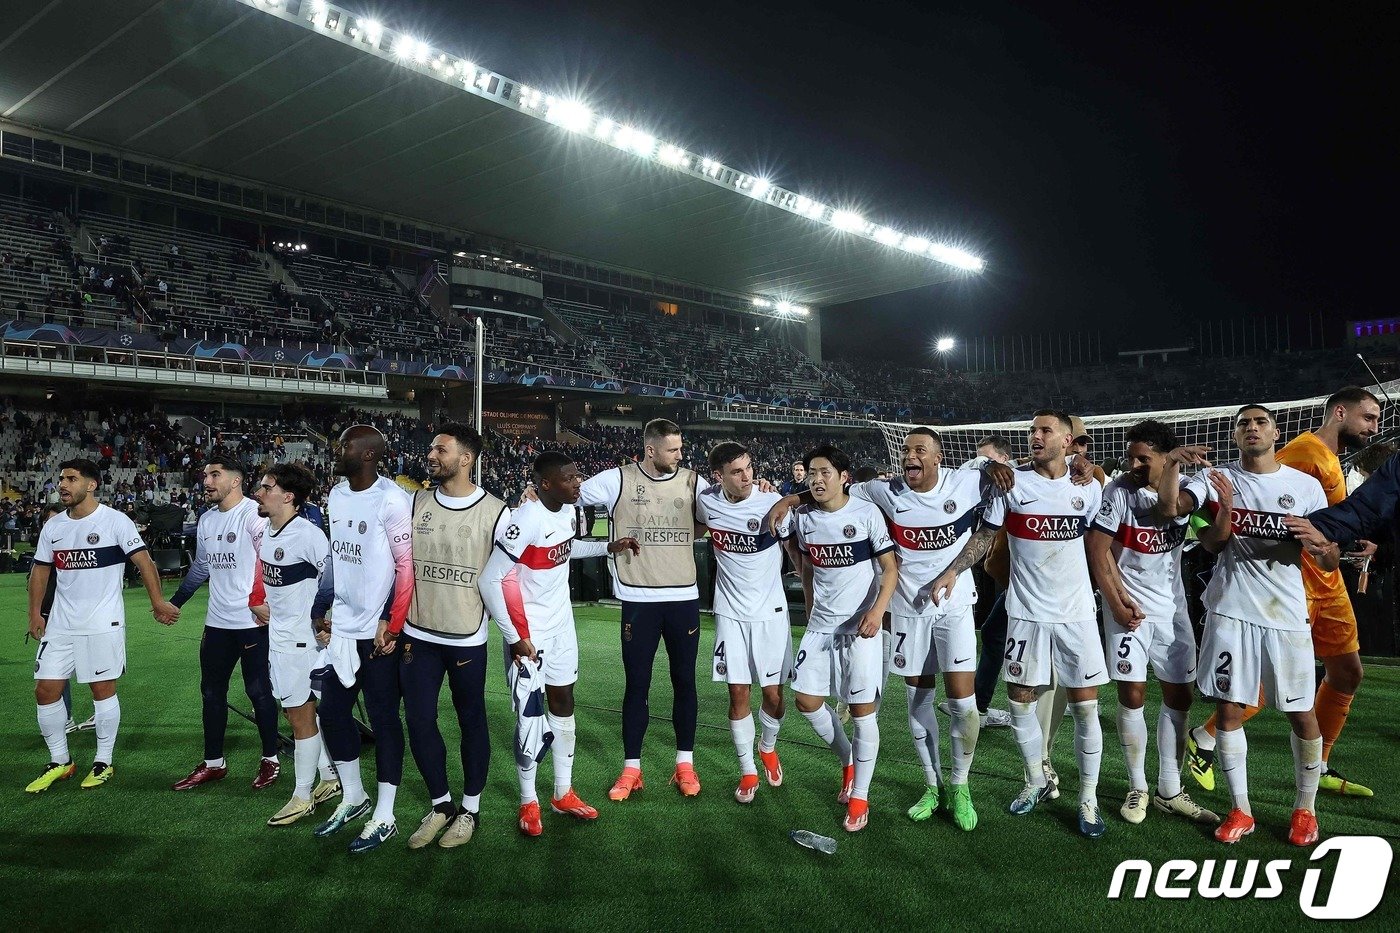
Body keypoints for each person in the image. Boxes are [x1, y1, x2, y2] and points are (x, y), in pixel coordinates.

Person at [1187, 387, 1380, 799]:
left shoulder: (1319, 466)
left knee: (1345, 673)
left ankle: (1318, 766)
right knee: (1258, 686)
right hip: (1290, 590)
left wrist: (1342, 545)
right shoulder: (1301, 455)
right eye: (1369, 418)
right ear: (1340, 413)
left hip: (1321, 582)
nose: (1374, 427)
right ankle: (1205, 743)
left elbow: (1325, 530)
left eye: (1260, 422)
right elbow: (1232, 514)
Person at [931, 410, 1106, 837]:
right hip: (1025, 614)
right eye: (1032, 430)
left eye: (1045, 430)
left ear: (1068, 441)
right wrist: (954, 570)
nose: (1035, 436)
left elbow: (1101, 547)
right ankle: (1035, 782)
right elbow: (984, 537)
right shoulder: (1010, 485)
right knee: (1020, 702)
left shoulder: (1090, 488)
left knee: (1086, 707)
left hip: (1077, 614)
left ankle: (1088, 799)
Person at [1194, 405, 1332, 846]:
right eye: (1243, 423)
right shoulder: (1219, 480)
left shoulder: (1305, 486)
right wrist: (1226, 510)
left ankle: (1305, 810)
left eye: (1259, 422)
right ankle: (1241, 810)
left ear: (1276, 432)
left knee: (1300, 711)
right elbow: (1213, 545)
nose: (1251, 428)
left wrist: (1320, 543)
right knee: (1230, 711)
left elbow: (1328, 558)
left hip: (1285, 613)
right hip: (1231, 610)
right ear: (1235, 435)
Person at [481, 451, 639, 835]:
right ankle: (528, 801)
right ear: (546, 484)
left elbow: (567, 550)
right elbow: (490, 579)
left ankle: (562, 792)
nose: (577, 483)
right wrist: (515, 637)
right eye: (569, 479)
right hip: (529, 632)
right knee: (529, 715)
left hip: (562, 625)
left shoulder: (567, 511)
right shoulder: (527, 518)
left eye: (577, 475)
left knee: (564, 703)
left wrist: (607, 547)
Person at [1086, 420, 1219, 826]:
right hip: (1129, 614)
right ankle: (1137, 786)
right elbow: (1097, 547)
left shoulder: (1196, 486)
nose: (1134, 464)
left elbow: (1168, 508)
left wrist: (1176, 468)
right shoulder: (1119, 491)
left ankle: (1169, 789)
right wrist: (1117, 602)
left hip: (1173, 611)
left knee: (1180, 698)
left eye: (1144, 458)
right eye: (1130, 457)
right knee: (1133, 695)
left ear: (1166, 456)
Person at [26, 459, 179, 793]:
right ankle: (60, 761)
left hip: (102, 622)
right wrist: (35, 613)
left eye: (71, 479)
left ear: (91, 484)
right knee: (45, 689)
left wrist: (157, 602)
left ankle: (103, 761)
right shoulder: (54, 527)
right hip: (61, 624)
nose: (62, 485)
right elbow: (40, 570)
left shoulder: (115, 521)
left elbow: (144, 561)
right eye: (61, 479)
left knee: (102, 691)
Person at [576, 418, 705, 801]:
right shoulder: (616, 480)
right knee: (637, 686)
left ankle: (685, 764)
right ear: (650, 450)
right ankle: (632, 769)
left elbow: (732, 501)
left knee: (685, 682)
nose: (680, 456)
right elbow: (569, 494)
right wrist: (535, 491)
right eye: (673, 450)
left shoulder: (694, 481)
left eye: (681, 449)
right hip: (638, 599)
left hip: (683, 597)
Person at [398, 424, 508, 850]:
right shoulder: (416, 502)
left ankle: (471, 809)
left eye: (440, 449)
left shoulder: (497, 512)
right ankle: (441, 805)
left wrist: (518, 636)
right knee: (420, 719)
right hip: (417, 633)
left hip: (465, 637)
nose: (431, 454)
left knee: (470, 719)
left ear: (466, 459)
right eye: (431, 448)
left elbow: (509, 578)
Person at [312, 426, 414, 853]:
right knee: (332, 712)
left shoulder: (392, 499)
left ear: (369, 454)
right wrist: (322, 606)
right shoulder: (337, 494)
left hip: (378, 632)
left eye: (344, 446)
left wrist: (393, 622)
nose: (337, 451)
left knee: (384, 717)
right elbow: (339, 558)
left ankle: (386, 814)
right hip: (344, 627)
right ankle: (354, 796)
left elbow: (406, 566)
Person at [789, 444, 898, 832]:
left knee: (862, 712)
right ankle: (848, 761)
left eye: (825, 473)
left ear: (843, 477)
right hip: (821, 625)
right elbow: (805, 566)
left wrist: (877, 612)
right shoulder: (803, 518)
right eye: (811, 474)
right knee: (806, 701)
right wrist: (810, 603)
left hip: (861, 628)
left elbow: (890, 569)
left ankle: (860, 797)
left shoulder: (866, 514)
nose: (817, 480)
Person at [170, 460, 280, 793]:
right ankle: (214, 763)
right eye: (205, 475)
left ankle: (271, 759)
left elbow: (268, 556)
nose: (206, 480)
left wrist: (258, 600)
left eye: (214, 475)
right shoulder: (205, 519)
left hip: (251, 623)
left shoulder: (253, 514)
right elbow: (202, 567)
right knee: (211, 693)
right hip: (217, 624)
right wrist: (175, 602)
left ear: (235, 482)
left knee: (258, 692)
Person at [694, 442, 793, 804]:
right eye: (737, 471)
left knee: (773, 695)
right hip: (730, 615)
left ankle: (768, 746)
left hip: (771, 614)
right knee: (738, 692)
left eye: (750, 467)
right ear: (719, 476)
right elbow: (690, 526)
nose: (747, 476)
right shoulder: (707, 502)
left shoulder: (769, 502)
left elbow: (796, 547)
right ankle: (748, 770)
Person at [254, 464, 336, 826]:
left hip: (301, 642)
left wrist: (321, 618)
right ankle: (330, 778)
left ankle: (302, 796)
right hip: (280, 637)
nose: (260, 492)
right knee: (300, 714)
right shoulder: (269, 533)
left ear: (288, 496)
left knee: (300, 717)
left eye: (267, 487)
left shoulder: (307, 534)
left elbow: (333, 577)